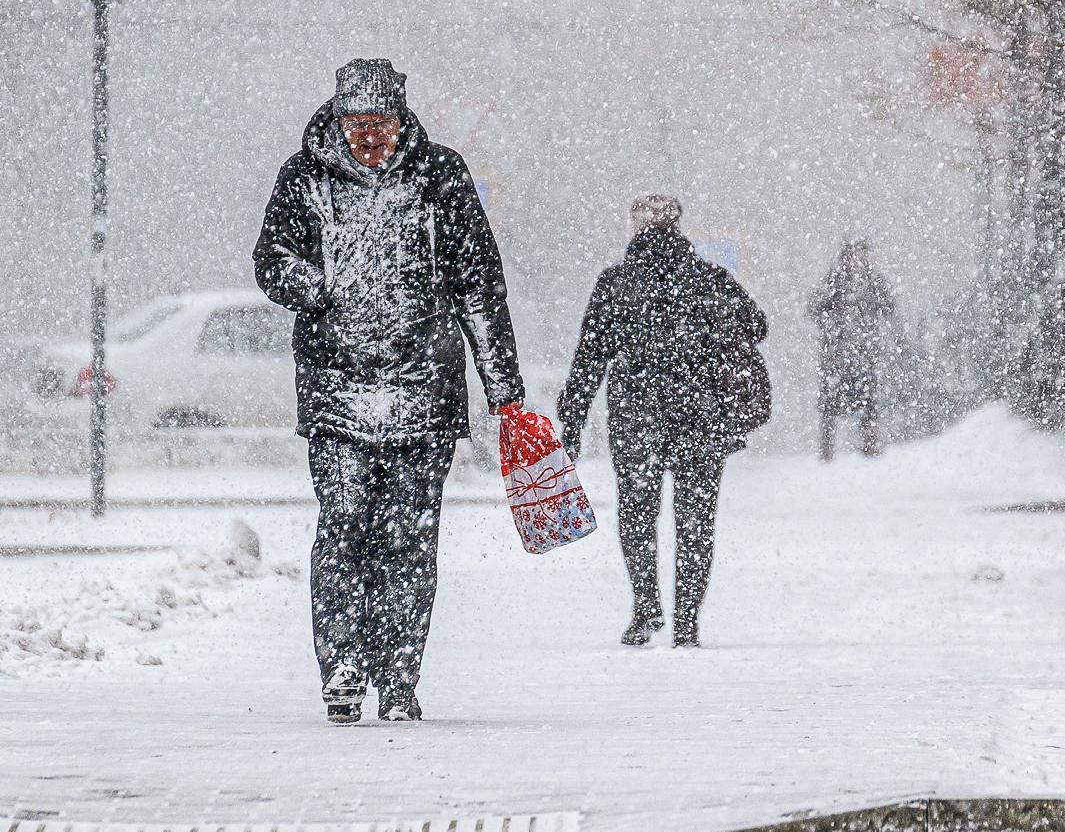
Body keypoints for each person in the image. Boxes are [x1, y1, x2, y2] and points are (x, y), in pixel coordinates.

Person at [253, 58, 524, 725]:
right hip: (336, 393)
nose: (370, 137)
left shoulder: (441, 176)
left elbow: (478, 286)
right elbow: (271, 257)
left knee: (409, 540)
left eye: (381, 124)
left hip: (422, 397)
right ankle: (342, 667)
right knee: (343, 531)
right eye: (358, 124)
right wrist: (312, 287)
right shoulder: (304, 176)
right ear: (339, 120)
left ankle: (399, 675)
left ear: (402, 121)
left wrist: (503, 389)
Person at [558, 195, 767, 648]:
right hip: (701, 417)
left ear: (635, 228)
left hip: (637, 417)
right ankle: (687, 620)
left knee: (637, 515)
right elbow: (758, 325)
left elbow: (589, 359)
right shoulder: (710, 279)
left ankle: (646, 606)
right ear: (678, 226)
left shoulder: (616, 283)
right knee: (696, 521)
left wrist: (571, 421)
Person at [810, 238, 895, 462]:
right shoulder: (835, 281)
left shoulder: (872, 282)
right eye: (853, 255)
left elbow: (888, 306)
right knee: (830, 407)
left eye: (861, 255)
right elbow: (815, 307)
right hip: (836, 357)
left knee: (868, 403)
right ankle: (826, 453)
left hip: (864, 356)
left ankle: (870, 447)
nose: (856, 260)